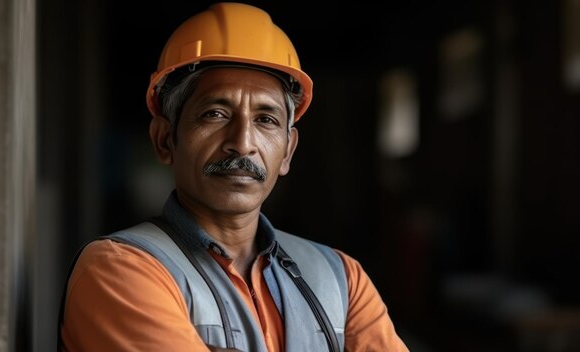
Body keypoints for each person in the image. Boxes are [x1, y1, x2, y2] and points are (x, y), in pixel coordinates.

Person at [58, 2, 409, 351]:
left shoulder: (341, 279)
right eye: (215, 113)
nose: (242, 144)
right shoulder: (119, 270)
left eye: (266, 120)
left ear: (287, 152)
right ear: (165, 140)